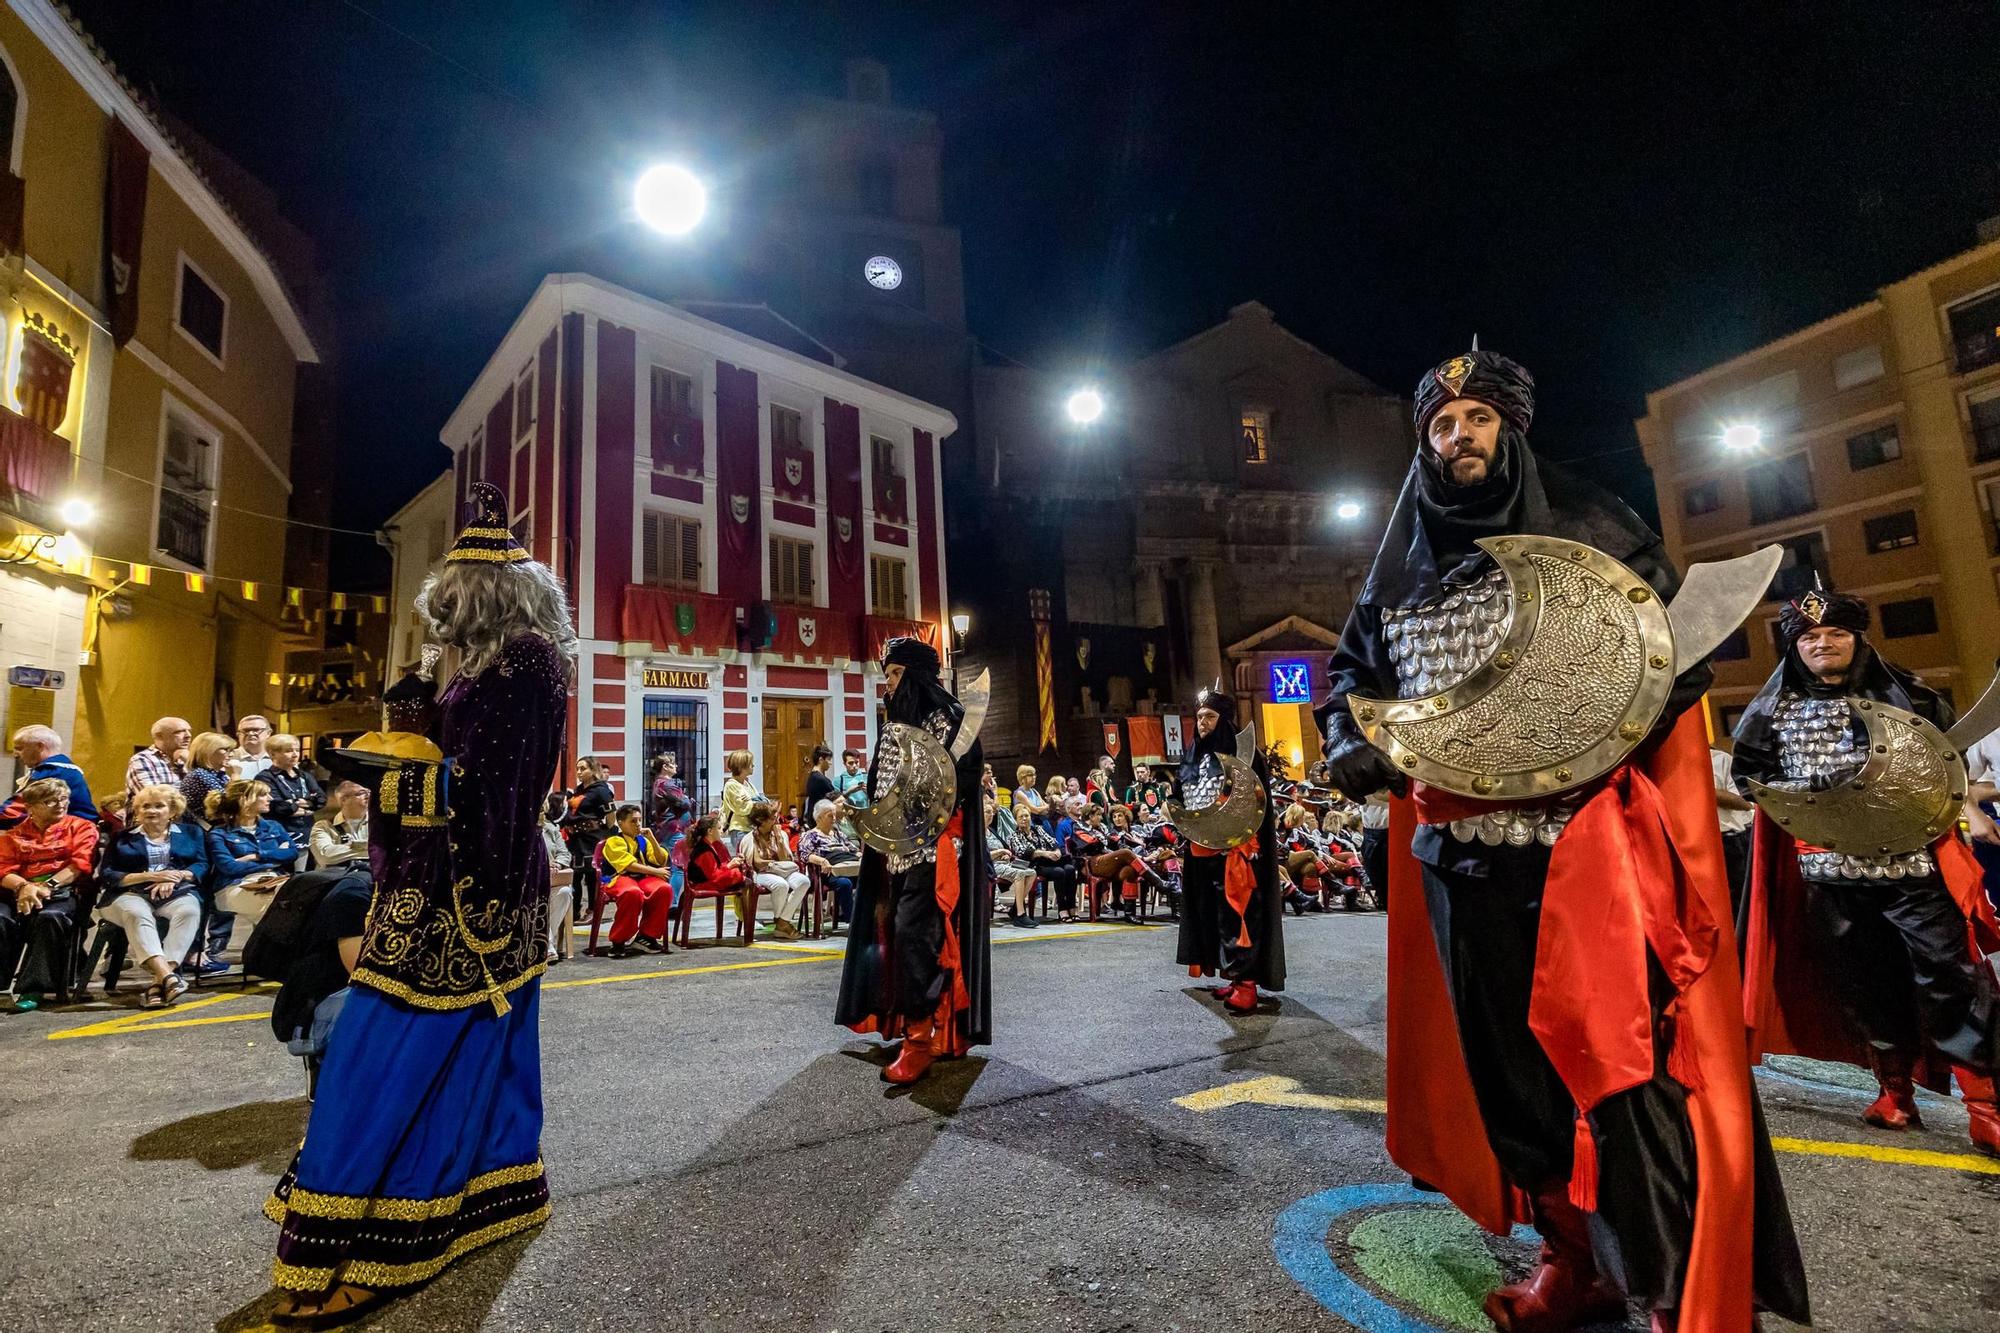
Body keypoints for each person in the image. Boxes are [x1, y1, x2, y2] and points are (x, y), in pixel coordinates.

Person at [1319, 348, 1807, 1330]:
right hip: (1458, 859)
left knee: (1624, 1072)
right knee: (1512, 1087)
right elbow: (1347, 685)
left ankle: (1675, 1291)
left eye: (1477, 418)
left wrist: (1621, 698)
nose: (1458, 435)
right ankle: (1570, 1259)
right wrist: (1347, 744)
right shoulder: (1397, 564)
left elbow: (1670, 657)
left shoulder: (1595, 529)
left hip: (1584, 851)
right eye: (1442, 422)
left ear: (1512, 427)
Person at [267, 482, 569, 1321]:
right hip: (432, 882)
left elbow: (489, 790)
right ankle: (465, 1204)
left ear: (487, 598)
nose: (445, 621)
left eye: (457, 605)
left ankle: (395, 1232)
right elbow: (452, 761)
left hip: (473, 889)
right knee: (450, 1051)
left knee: (406, 1056)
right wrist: (410, 720)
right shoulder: (481, 664)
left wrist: (399, 768)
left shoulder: (527, 660)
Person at [1732, 589, 2000, 1155]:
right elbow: (1750, 781)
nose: (1821, 644)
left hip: (1911, 864)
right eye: (1809, 637)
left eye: (1835, 634)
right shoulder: (1769, 710)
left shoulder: (1912, 698)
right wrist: (1805, 794)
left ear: (1856, 640)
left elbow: (1945, 772)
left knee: (1950, 973)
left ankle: (1985, 1104)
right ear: (1795, 647)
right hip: (1828, 870)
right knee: (1862, 981)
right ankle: (1894, 1091)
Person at [835, 636, 992, 1085]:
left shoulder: (951, 721)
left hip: (936, 849)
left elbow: (954, 789)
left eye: (896, 674)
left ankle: (921, 1040)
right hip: (893, 851)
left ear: (917, 676)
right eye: (886, 676)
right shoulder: (891, 729)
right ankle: (910, 1027)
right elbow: (881, 787)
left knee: (914, 936)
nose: (888, 685)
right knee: (894, 935)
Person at [1175, 685, 1283, 1011]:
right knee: (1215, 916)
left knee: (1240, 915)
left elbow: (1254, 804)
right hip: (1201, 852)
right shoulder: (1193, 756)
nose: (1202, 723)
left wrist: (1246, 844)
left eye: (1209, 717)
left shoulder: (1245, 756)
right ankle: (1233, 976)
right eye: (1199, 717)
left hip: (1236, 852)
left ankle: (1247, 983)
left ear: (1223, 719)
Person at [96, 783, 207, 1008]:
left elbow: (202, 864)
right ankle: (168, 977)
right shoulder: (122, 837)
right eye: (145, 806)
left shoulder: (191, 833)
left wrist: (174, 876)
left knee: (189, 910)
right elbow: (107, 874)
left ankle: (159, 982)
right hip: (127, 894)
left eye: (159, 806)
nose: (151, 811)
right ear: (137, 811)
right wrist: (150, 877)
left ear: (172, 811)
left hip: (176, 891)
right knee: (137, 913)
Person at [0, 778, 98, 1010]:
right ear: (30, 807)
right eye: (51, 800)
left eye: (64, 798)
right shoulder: (15, 834)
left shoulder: (82, 827)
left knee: (50, 917)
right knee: (1, 918)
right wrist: (24, 887)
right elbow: (3, 868)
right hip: (18, 890)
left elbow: (80, 865)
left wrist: (45, 886)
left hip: (63, 891)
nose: (60, 804)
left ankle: (34, 987)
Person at [207, 780, 301, 937]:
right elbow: (229, 867)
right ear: (245, 799)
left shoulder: (273, 826)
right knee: (275, 909)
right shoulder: (219, 833)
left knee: (295, 903)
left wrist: (256, 856)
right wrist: (274, 859)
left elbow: (292, 853)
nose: (270, 798)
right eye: (264, 795)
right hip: (235, 885)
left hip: (274, 880)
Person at [599, 804, 674, 956]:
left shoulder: (643, 841)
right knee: (632, 893)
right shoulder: (614, 841)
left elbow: (660, 860)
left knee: (664, 889)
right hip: (617, 878)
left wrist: (652, 839)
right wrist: (656, 871)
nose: (638, 824)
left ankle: (646, 936)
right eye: (633, 821)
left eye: (639, 820)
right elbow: (629, 865)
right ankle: (618, 940)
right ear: (621, 823)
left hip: (642, 879)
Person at [4, 725, 95, 828]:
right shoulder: (62, 769)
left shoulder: (53, 772)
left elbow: (16, 810)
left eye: (20, 749)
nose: (16, 755)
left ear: (40, 747)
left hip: (74, 836)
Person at [745, 799, 811, 939]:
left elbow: (784, 859)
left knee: (803, 881)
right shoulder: (751, 838)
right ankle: (782, 923)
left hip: (782, 869)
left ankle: (782, 922)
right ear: (760, 820)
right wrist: (771, 863)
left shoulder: (780, 834)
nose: (775, 821)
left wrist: (780, 841)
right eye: (771, 819)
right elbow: (757, 863)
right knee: (781, 885)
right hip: (762, 873)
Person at [1710, 739, 1756, 936]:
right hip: (1694, 844)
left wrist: (1699, 789)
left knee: (1737, 903)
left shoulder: (1720, 760)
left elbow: (1744, 802)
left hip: (1729, 841)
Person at [798, 798, 861, 928]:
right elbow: (805, 855)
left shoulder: (838, 834)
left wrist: (860, 856)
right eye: (829, 815)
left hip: (847, 867)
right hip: (826, 874)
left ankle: (866, 919)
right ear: (819, 818)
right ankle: (853, 922)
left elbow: (853, 850)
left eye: (834, 815)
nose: (834, 818)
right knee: (845, 883)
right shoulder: (810, 835)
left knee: (869, 880)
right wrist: (822, 860)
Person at [262, 733, 324, 851]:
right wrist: (308, 805)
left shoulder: (305, 775)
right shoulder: (265, 778)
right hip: (283, 831)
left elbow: (321, 799)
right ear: (272, 753)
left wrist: (294, 804)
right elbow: (277, 806)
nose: (295, 754)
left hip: (308, 829)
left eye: (297, 750)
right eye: (289, 751)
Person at [986, 795, 1041, 929]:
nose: (990, 815)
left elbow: (1004, 849)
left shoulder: (991, 831)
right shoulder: (978, 833)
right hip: (991, 865)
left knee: (1032, 872)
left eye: (991, 813)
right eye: (987, 812)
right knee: (1020, 874)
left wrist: (1005, 855)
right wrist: (1000, 853)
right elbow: (982, 855)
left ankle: (1016, 908)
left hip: (1003, 862)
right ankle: (1020, 914)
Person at [540, 793, 574, 962]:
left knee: (565, 891)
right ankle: (547, 945)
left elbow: (564, 854)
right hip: (530, 883)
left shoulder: (551, 829)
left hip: (552, 881)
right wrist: (543, 865)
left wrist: (558, 864)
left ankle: (545, 942)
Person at [178, 731, 237, 827]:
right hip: (203, 832)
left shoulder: (221, 775)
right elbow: (230, 804)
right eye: (226, 750)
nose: (231, 755)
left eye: (232, 750)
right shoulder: (199, 775)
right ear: (207, 751)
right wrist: (235, 776)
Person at [126, 716, 192, 802]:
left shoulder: (186, 759)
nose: (188, 736)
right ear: (159, 736)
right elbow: (154, 798)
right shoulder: (143, 759)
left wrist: (191, 762)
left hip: (187, 814)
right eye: (179, 732)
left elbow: (208, 792)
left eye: (189, 731)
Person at [309, 782, 370, 870]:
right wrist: (368, 847)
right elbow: (325, 856)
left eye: (368, 792)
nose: (367, 796)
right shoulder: (323, 826)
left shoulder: (379, 824)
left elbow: (388, 850)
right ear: (343, 800)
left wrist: (349, 848)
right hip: (335, 879)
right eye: (361, 793)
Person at [649, 751, 693, 846]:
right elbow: (684, 804)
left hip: (667, 829)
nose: (676, 766)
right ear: (665, 767)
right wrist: (687, 798)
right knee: (677, 859)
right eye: (673, 763)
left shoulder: (659, 782)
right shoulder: (667, 784)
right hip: (675, 830)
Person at [720, 749, 759, 848]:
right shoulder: (731, 785)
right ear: (742, 767)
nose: (753, 766)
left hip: (751, 828)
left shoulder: (748, 784)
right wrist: (755, 800)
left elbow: (763, 801)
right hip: (740, 830)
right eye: (750, 764)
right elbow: (744, 808)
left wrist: (752, 799)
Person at [230, 715, 275, 781]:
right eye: (246, 730)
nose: (251, 733)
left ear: (268, 733)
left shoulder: (279, 758)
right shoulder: (228, 758)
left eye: (256, 730)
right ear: (238, 734)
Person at [1012, 764, 1050, 830]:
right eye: (1030, 775)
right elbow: (1035, 810)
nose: (1034, 777)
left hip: (1042, 823)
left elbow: (1046, 810)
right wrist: (1047, 806)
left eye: (1034, 775)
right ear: (1022, 778)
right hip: (1030, 826)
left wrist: (1045, 807)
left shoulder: (1034, 791)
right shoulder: (1019, 793)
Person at [804, 743, 837, 816]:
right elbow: (835, 799)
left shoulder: (813, 776)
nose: (830, 763)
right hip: (821, 817)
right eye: (829, 760)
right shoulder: (820, 779)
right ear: (821, 760)